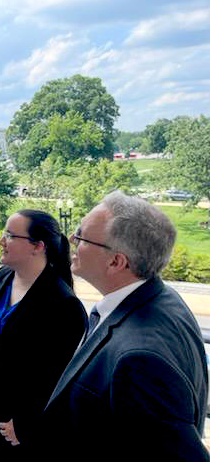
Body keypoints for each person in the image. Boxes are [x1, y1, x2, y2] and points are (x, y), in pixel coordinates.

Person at [43, 191, 209, 461]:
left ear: (116, 261)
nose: (72, 239)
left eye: (81, 235)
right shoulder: (163, 299)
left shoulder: (140, 362)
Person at [0, 209, 87, 460]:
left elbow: (56, 378)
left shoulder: (64, 304)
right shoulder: (3, 277)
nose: (0, 241)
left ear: (37, 246)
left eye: (9, 235)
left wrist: (25, 423)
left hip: (23, 426)